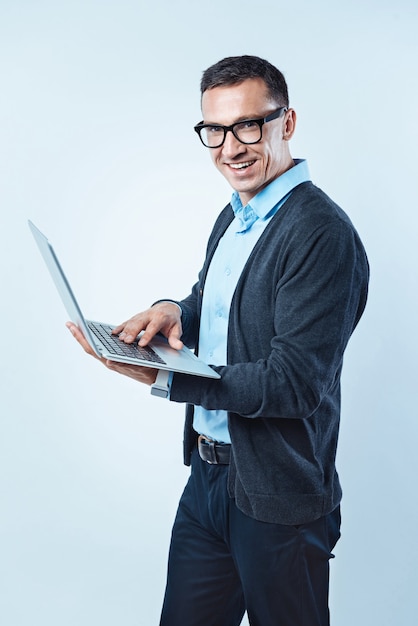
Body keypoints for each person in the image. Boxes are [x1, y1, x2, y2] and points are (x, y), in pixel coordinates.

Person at [67, 55, 369, 626]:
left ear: (288, 123)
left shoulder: (320, 234)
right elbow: (212, 302)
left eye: (249, 125)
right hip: (208, 482)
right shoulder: (234, 216)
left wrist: (165, 376)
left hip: (279, 500)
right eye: (215, 130)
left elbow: (294, 384)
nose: (231, 147)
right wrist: (168, 310)